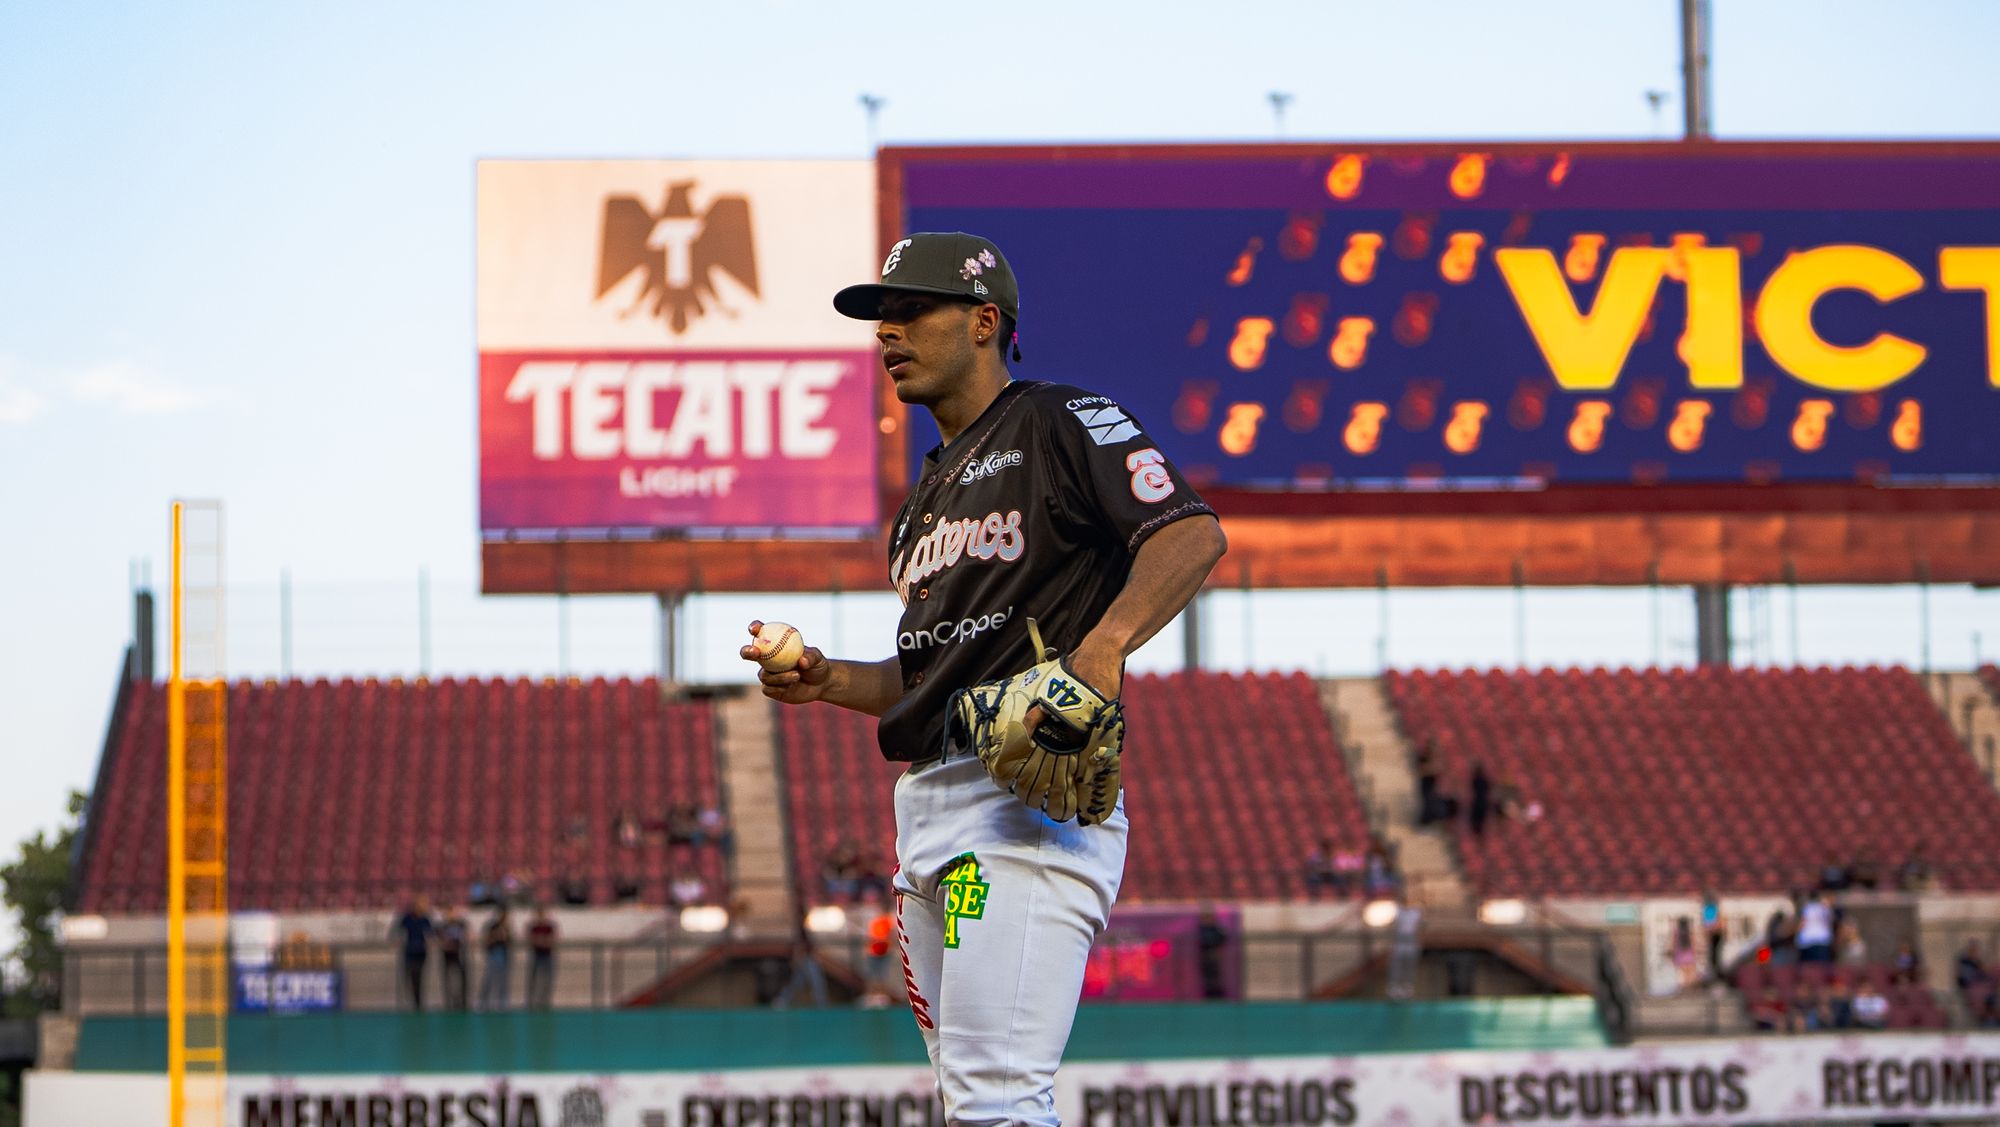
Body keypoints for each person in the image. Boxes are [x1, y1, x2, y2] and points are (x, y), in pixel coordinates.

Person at [744, 231, 1227, 1127]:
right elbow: (928, 676)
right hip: (928, 811)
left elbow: (1189, 533)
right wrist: (827, 677)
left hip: (1020, 803)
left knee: (996, 1098)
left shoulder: (1059, 420)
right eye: (879, 317)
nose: (886, 332)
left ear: (982, 321)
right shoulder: (921, 502)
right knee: (974, 1097)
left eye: (908, 310)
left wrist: (1103, 646)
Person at [389, 895, 435, 1011]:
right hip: (409, 952)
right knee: (409, 977)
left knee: (419, 978)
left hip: (421, 952)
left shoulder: (425, 919)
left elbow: (430, 934)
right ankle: (410, 1001)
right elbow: (396, 931)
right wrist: (398, 940)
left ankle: (418, 1002)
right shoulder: (407, 918)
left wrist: (430, 942)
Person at [479, 905, 513, 1010]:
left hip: (504, 955)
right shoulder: (492, 926)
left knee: (503, 981)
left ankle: (502, 1003)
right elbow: (486, 941)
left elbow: (510, 942)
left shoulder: (507, 927)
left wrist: (505, 936)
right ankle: (483, 1002)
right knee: (488, 980)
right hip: (494, 954)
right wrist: (496, 935)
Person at [437, 903, 470, 1011]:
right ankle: (449, 1003)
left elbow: (467, 936)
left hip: (460, 955)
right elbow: (439, 939)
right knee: (449, 980)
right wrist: (445, 943)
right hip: (448, 956)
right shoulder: (443, 925)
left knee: (462, 980)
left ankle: (462, 1002)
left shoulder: (461, 924)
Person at [526, 905, 559, 1010]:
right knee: (533, 980)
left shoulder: (549, 927)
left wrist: (542, 941)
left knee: (547, 981)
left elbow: (552, 941)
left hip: (547, 956)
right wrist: (542, 941)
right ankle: (532, 1003)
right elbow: (531, 940)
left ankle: (545, 1003)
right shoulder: (533, 927)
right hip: (536, 955)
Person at [1196, 907, 1231, 1000]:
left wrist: (1216, 947)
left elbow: (1223, 937)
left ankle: (1217, 994)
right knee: (1207, 976)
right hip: (1205, 956)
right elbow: (1202, 941)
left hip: (1214, 956)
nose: (1207, 919)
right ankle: (1208, 994)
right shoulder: (1201, 928)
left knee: (1215, 976)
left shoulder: (1215, 928)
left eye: (1208, 917)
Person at [1796, 892, 1836, 964]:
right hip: (1814, 943)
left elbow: (1801, 924)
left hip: (1814, 943)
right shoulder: (1823, 907)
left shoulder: (1808, 907)